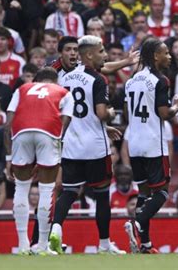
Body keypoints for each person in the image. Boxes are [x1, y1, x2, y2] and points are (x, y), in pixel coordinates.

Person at [50, 35, 126, 255]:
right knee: (102, 194)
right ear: (90, 55)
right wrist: (111, 113)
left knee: (69, 191)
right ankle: (104, 244)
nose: (105, 55)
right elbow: (102, 113)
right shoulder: (98, 79)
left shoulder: (64, 79)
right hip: (95, 147)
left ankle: (56, 230)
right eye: (101, 52)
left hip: (72, 145)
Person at [123, 37, 178, 254]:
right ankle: (139, 221)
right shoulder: (161, 80)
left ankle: (145, 244)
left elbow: (127, 113)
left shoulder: (131, 80)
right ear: (155, 56)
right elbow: (164, 113)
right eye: (166, 53)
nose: (169, 56)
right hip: (153, 143)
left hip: (134, 142)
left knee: (143, 194)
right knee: (161, 193)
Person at [4, 67, 74, 255]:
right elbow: (65, 121)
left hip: (20, 133)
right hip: (49, 131)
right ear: (55, 80)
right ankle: (42, 245)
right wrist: (53, 147)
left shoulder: (22, 89)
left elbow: (7, 123)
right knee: (46, 189)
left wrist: (9, 157)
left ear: (36, 80)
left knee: (21, 187)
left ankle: (22, 246)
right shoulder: (63, 92)